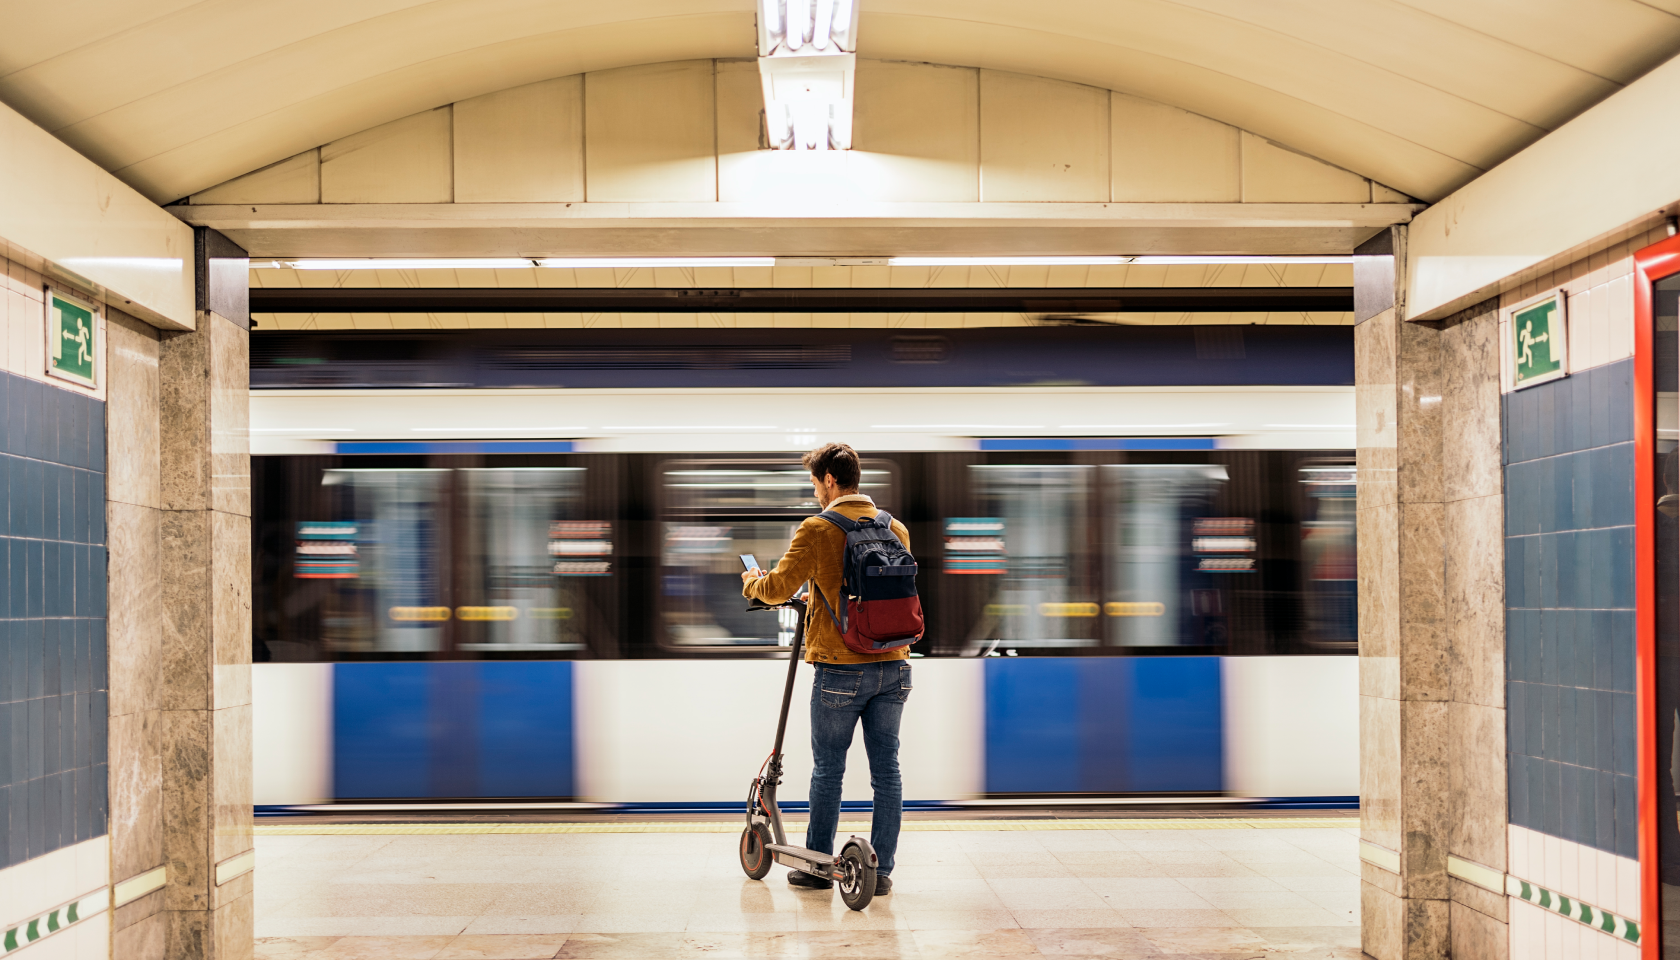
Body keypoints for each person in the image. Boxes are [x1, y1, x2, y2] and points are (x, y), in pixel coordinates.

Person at [741, 442, 913, 894]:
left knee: (829, 770)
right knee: (887, 772)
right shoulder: (894, 527)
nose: (815, 491)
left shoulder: (818, 528)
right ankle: (881, 872)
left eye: (815, 482)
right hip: (894, 665)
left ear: (830, 481)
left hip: (840, 669)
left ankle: (818, 866)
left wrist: (751, 584)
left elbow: (777, 587)